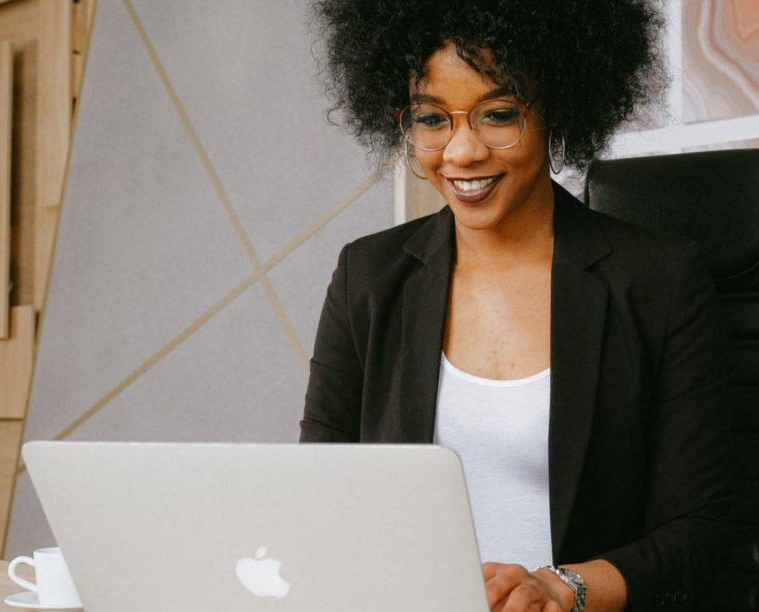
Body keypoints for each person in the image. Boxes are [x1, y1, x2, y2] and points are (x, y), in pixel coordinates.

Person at [300, 2, 733, 610]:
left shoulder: (659, 281)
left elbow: (701, 532)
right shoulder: (369, 277)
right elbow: (319, 493)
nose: (461, 153)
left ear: (558, 106)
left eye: (499, 115)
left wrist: (560, 588)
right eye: (432, 119)